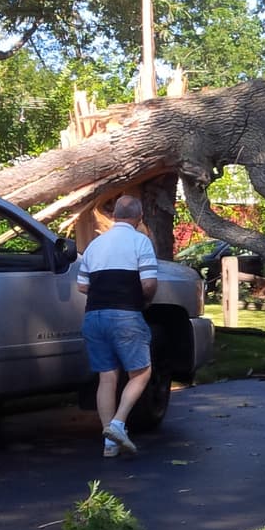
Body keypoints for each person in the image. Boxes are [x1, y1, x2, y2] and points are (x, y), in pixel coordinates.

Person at [78, 195, 158, 458]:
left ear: (114, 216)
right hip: (125, 315)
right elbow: (148, 284)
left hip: (94, 316)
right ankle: (117, 423)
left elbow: (82, 286)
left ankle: (109, 443)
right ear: (139, 217)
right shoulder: (140, 242)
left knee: (107, 376)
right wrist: (145, 299)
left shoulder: (95, 244)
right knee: (141, 372)